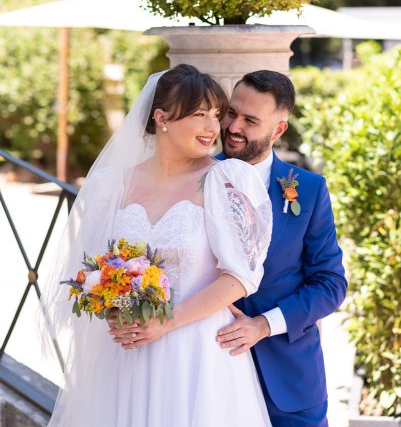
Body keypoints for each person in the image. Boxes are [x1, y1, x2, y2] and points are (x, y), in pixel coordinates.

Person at [43, 64, 274, 427]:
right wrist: (113, 307)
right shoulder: (111, 183)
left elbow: (241, 277)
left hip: (195, 353)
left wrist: (166, 323)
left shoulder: (226, 180)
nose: (213, 127)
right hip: (124, 351)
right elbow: (92, 268)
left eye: (216, 115)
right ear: (162, 117)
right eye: (199, 114)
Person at [215, 70, 347, 427]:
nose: (234, 126)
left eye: (250, 120)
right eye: (231, 113)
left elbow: (330, 284)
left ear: (279, 130)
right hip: (208, 371)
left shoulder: (308, 189)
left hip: (288, 382)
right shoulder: (191, 177)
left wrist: (263, 324)